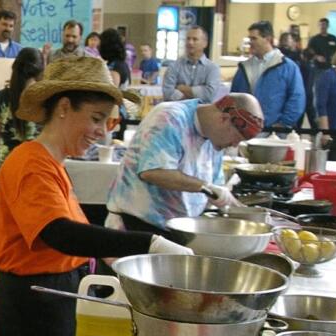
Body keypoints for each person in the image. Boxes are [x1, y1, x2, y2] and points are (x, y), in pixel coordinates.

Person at [0, 57, 192, 336]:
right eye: (95, 118)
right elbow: (61, 235)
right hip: (31, 307)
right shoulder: (29, 163)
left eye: (107, 122)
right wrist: (148, 244)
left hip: (55, 296)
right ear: (64, 108)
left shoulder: (52, 163)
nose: (100, 131)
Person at [106, 93, 264, 233]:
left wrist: (235, 208)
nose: (235, 145)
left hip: (176, 230)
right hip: (135, 227)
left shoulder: (214, 140)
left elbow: (216, 191)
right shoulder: (170, 116)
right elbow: (153, 172)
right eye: (236, 138)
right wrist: (206, 187)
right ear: (224, 119)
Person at [231, 21, 305, 130]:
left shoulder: (288, 67)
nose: (250, 43)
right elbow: (234, 97)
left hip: (275, 132)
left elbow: (297, 98)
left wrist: (283, 124)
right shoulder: (244, 68)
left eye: (254, 39)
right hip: (246, 130)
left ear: (268, 39)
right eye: (250, 39)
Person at [0, 48, 43, 159]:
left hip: (7, 164)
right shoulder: (45, 97)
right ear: (41, 69)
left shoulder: (2, 97)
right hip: (36, 164)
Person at [162, 26, 222, 102]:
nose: (190, 42)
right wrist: (196, 95)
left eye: (195, 39)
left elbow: (209, 95)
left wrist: (181, 88)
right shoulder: (174, 66)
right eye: (188, 39)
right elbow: (168, 93)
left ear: (205, 43)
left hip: (202, 112)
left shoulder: (212, 68)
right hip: (178, 111)